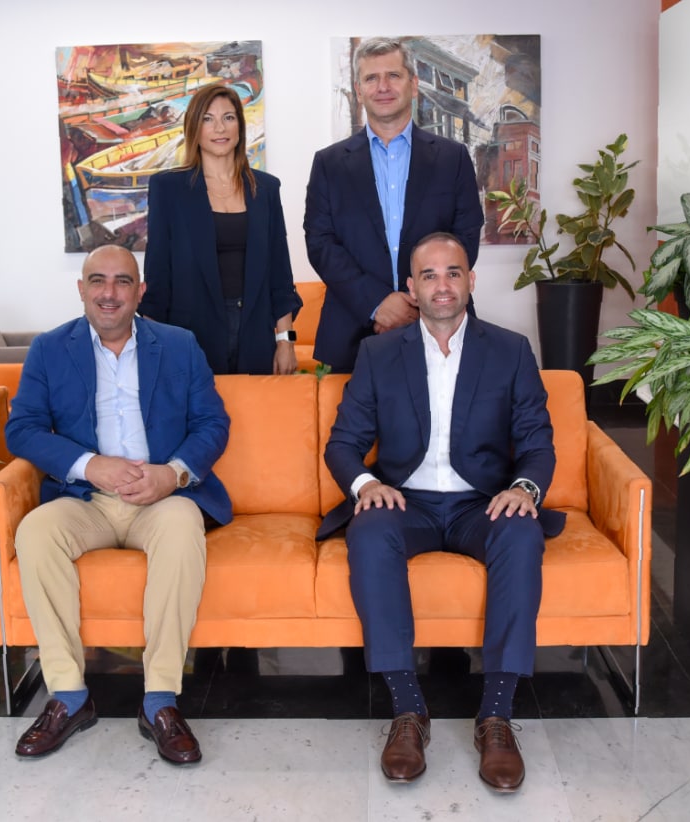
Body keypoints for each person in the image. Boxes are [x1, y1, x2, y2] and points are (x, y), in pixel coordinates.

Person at [317, 232, 565, 792]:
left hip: (483, 503)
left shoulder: (510, 350)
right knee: (368, 529)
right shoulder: (379, 354)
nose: (442, 285)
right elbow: (343, 443)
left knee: (522, 532)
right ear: (412, 287)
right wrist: (365, 485)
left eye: (453, 272)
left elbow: (537, 442)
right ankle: (408, 711)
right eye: (429, 275)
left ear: (471, 281)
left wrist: (524, 489)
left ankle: (496, 717)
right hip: (408, 502)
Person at [6, 244, 231, 764]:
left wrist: (171, 474)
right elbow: (22, 429)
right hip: (85, 499)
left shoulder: (178, 345)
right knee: (36, 532)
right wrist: (90, 465)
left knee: (182, 526)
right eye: (98, 281)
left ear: (140, 291)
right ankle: (68, 696)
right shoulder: (49, 349)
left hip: (161, 498)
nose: (109, 293)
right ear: (81, 288)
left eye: (122, 281)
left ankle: (160, 700)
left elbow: (212, 423)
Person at [303, 37, 484, 373]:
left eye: (393, 76)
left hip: (440, 326)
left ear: (413, 85)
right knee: (353, 412)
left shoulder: (452, 158)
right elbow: (320, 243)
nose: (382, 87)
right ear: (359, 91)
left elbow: (465, 238)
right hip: (352, 333)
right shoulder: (329, 164)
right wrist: (378, 303)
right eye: (371, 78)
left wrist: (416, 303)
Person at [142, 82, 302, 375]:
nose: (220, 128)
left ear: (239, 126)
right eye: (208, 119)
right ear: (194, 127)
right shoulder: (168, 188)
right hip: (190, 334)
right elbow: (157, 279)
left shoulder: (266, 188)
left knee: (255, 406)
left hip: (255, 333)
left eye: (228, 117)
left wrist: (286, 341)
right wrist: (154, 350)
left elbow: (280, 275)